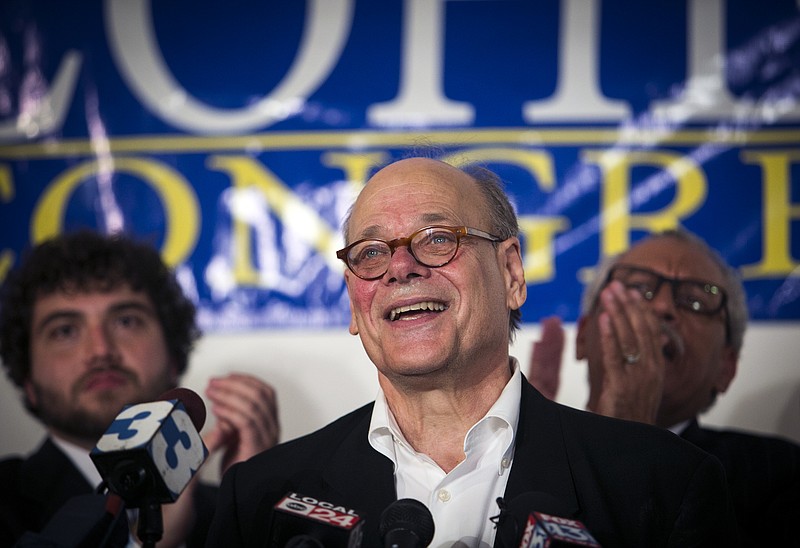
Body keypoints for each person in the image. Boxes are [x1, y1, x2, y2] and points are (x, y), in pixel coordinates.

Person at [206, 157, 739, 547]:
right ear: (353, 303)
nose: (400, 268)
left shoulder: (663, 482)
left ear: (511, 273)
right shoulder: (258, 496)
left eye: (437, 238)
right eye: (371, 253)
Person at [0, 230, 281, 547]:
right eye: (65, 331)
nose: (100, 350)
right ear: (27, 378)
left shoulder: (225, 513)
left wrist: (249, 500)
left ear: (173, 357)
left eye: (126, 321)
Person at [529, 228, 799, 544]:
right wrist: (529, 448)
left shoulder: (778, 474)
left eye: (695, 301)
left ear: (726, 367)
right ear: (583, 337)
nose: (662, 308)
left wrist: (630, 443)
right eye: (638, 288)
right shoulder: (523, 455)